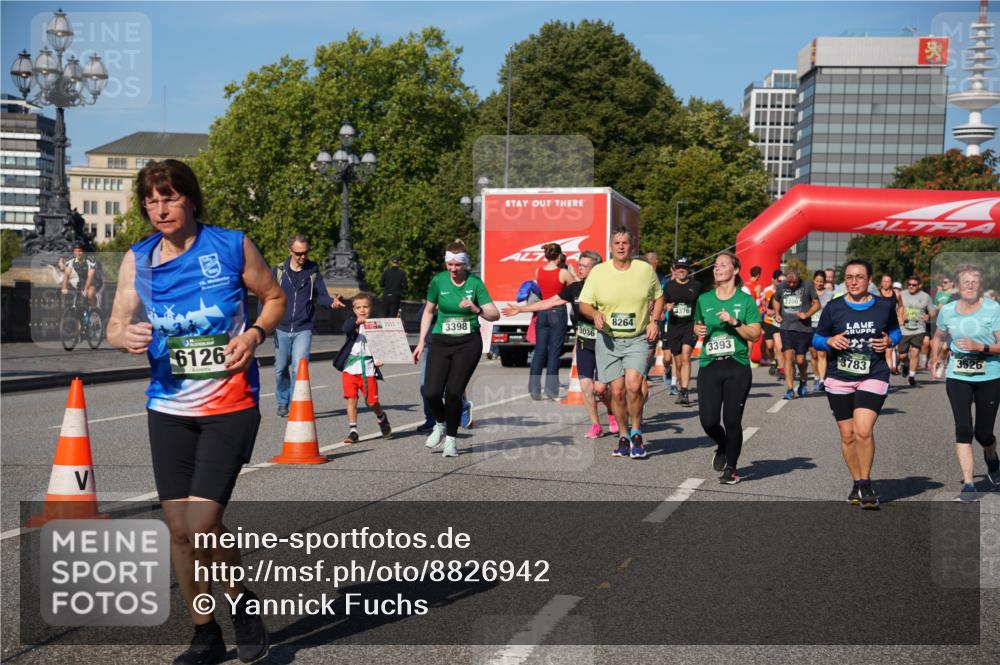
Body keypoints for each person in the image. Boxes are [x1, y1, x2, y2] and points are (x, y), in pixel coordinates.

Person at [105, 159, 283, 664]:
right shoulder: (138, 259)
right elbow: (116, 324)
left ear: (190, 199)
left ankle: (241, 603)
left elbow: (273, 297)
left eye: (170, 198)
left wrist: (254, 334)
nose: (160, 209)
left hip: (230, 404)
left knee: (203, 522)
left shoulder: (230, 246)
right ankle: (205, 633)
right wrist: (123, 337)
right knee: (179, 530)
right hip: (167, 406)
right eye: (151, 201)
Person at [813, 258, 900, 510]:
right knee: (847, 434)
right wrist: (829, 342)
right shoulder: (834, 307)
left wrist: (889, 342)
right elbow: (817, 338)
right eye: (849, 277)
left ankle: (866, 483)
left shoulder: (884, 306)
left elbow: (895, 332)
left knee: (863, 430)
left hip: (873, 373)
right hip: (839, 376)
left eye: (859, 277)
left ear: (869, 279)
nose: (853, 282)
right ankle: (856, 481)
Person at [504, 250, 614, 438]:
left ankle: (612, 412)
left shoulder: (607, 288)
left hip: (605, 344)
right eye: (579, 265)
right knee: (586, 387)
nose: (579, 269)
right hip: (584, 343)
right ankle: (596, 425)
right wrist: (521, 309)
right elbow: (548, 302)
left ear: (595, 269)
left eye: (584, 266)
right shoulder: (575, 288)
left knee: (601, 389)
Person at [578, 227, 664, 459]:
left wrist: (654, 321)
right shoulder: (599, 272)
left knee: (634, 386)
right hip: (609, 340)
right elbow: (584, 304)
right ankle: (623, 436)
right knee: (616, 392)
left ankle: (636, 433)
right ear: (610, 247)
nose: (621, 246)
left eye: (625, 242)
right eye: (616, 243)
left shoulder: (644, 270)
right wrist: (594, 313)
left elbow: (659, 296)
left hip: (637, 338)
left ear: (631, 246)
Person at [413, 239, 500, 457]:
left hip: (467, 343)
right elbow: (428, 312)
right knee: (431, 392)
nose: (453, 269)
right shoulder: (438, 281)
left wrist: (476, 308)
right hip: (441, 340)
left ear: (465, 264)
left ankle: (451, 440)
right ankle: (440, 424)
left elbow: (494, 314)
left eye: (457, 265)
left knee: (453, 393)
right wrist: (421, 341)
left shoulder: (475, 283)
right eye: (450, 264)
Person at [930, 265, 1000, 501]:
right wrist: (935, 358)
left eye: (974, 281)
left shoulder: (993, 309)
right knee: (963, 428)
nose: (969, 285)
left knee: (983, 433)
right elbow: (939, 336)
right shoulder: (948, 311)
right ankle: (969, 484)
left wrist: (980, 347)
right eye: (965, 281)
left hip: (990, 375)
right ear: (957, 286)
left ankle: (992, 456)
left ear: (980, 285)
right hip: (958, 375)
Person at [693, 251, 762, 484]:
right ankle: (722, 444)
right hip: (710, 364)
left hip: (737, 365)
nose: (717, 268)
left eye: (723, 265)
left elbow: (755, 334)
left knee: (732, 420)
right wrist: (697, 329)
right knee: (708, 421)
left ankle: (731, 468)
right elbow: (698, 324)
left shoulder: (745, 301)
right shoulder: (704, 299)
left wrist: (735, 322)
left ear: (735, 270)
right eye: (715, 265)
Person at [271, 234, 345, 417]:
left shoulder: (312, 271)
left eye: (305, 253)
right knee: (280, 369)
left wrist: (331, 302)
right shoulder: (279, 271)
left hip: (303, 328)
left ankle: (295, 405)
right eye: (298, 254)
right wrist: (263, 323)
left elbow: (321, 295)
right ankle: (282, 402)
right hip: (281, 327)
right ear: (290, 251)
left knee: (299, 368)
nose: (303, 257)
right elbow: (267, 297)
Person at [334, 293, 392, 443]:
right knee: (351, 399)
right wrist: (356, 323)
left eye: (365, 307)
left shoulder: (375, 324)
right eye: (358, 307)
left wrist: (379, 359)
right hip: (350, 368)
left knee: (372, 402)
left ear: (370, 308)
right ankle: (353, 431)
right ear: (353, 309)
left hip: (368, 369)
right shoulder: (351, 322)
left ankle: (381, 417)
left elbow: (381, 344)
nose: (362, 310)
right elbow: (346, 328)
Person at [415, 302, 475, 433]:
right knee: (425, 386)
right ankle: (432, 419)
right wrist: (433, 308)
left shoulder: (458, 299)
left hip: (452, 346)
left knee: (450, 385)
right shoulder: (431, 301)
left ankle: (463, 407)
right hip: (430, 346)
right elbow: (420, 316)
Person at [528, 242, 575, 400]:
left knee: (540, 350)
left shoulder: (538, 271)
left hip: (542, 311)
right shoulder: (563, 273)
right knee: (554, 352)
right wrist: (571, 271)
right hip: (557, 311)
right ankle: (551, 390)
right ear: (559, 256)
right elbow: (575, 288)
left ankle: (534, 389)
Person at [773, 268, 820, 399]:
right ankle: (789, 389)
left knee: (800, 359)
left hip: (803, 328)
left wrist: (807, 314)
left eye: (795, 282)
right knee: (788, 356)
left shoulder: (808, 285)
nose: (792, 285)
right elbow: (776, 300)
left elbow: (817, 304)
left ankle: (803, 379)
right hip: (786, 326)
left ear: (799, 279)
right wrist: (777, 313)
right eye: (790, 282)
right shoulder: (781, 286)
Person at [663, 256, 701, 405]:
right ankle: (681, 388)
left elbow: (702, 304)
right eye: (678, 267)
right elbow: (661, 305)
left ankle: (684, 392)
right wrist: (666, 307)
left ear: (688, 269)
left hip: (690, 326)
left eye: (684, 267)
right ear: (674, 269)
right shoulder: (668, 286)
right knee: (678, 363)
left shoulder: (696, 285)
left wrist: (701, 322)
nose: (681, 270)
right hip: (674, 327)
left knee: (686, 356)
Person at [897, 276, 934, 386]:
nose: (911, 287)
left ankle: (912, 377)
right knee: (902, 355)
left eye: (914, 285)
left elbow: (932, 310)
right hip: (903, 329)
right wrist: (899, 317)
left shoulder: (925, 296)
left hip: (919, 328)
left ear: (919, 285)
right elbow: (894, 308)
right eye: (909, 284)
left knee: (915, 352)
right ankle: (905, 365)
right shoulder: (901, 295)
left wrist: (929, 315)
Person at [61, 241, 105, 314]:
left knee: (89, 293)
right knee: (78, 302)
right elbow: (66, 275)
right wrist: (64, 287)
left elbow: (90, 276)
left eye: (80, 251)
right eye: (76, 251)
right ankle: (80, 318)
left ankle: (94, 310)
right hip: (82, 280)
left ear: (84, 251)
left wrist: (86, 289)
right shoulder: (71, 260)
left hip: (95, 280)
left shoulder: (90, 259)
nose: (78, 253)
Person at [809, 270, 834, 392]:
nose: (819, 283)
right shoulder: (808, 293)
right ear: (813, 280)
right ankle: (816, 376)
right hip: (810, 326)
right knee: (813, 355)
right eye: (817, 281)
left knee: (822, 354)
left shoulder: (830, 294)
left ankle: (822, 380)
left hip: (823, 327)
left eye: (821, 281)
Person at [761, 270, 784, 377]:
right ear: (773, 280)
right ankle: (773, 361)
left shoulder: (785, 291)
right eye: (778, 280)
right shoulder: (767, 290)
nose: (780, 283)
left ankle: (781, 368)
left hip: (779, 323)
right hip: (768, 321)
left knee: (779, 347)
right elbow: (764, 306)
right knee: (769, 346)